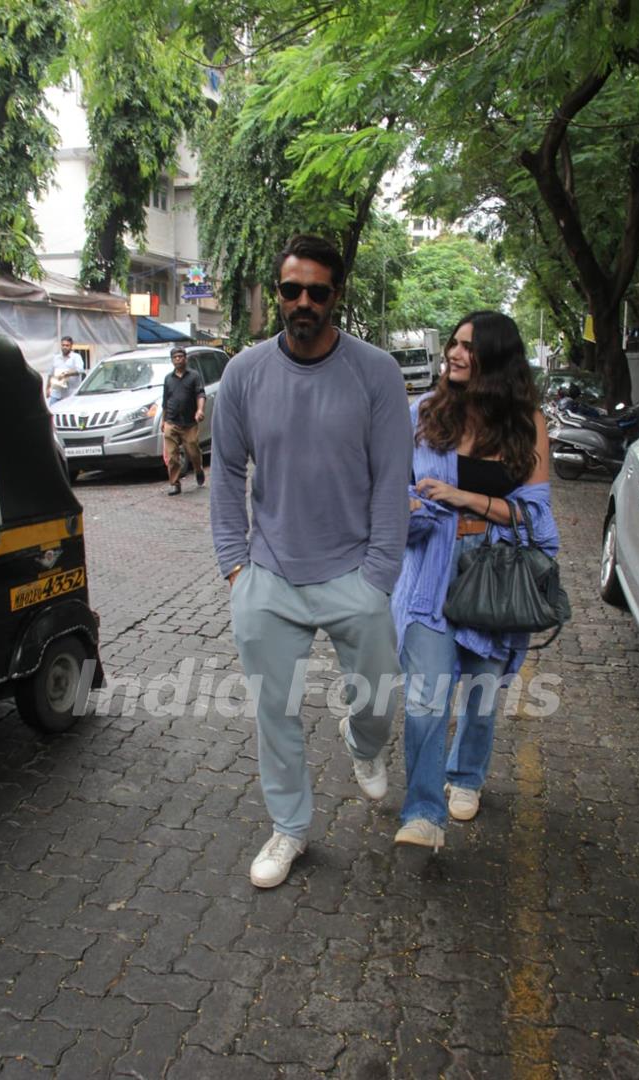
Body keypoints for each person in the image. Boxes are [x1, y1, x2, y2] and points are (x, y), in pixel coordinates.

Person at [210, 234, 413, 889]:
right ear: (278, 292)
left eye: (317, 292)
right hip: (267, 574)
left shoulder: (376, 372)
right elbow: (226, 472)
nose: (303, 302)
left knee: (378, 697)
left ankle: (364, 745)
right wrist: (234, 566)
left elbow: (392, 479)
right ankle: (290, 829)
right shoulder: (243, 373)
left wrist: (380, 577)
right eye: (291, 289)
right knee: (276, 713)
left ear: (336, 296)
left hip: (354, 572)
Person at [390, 311, 559, 853]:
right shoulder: (424, 412)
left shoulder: (526, 423)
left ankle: (465, 776)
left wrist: (466, 499)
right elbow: (398, 490)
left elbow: (538, 519)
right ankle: (422, 813)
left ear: (497, 360)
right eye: (454, 345)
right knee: (427, 696)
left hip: (493, 571)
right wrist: (411, 506)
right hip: (430, 570)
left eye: (469, 347)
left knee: (482, 692)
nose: (455, 354)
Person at [162, 346, 206, 495]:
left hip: (189, 423)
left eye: (180, 356)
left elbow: (200, 394)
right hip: (171, 422)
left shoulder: (193, 376)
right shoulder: (168, 379)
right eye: (175, 357)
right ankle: (174, 483)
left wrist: (199, 410)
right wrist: (163, 421)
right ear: (172, 360)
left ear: (185, 358)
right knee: (172, 455)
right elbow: (165, 402)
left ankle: (198, 469)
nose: (178, 359)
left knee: (193, 451)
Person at [47, 336, 84, 404]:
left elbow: (80, 370)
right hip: (56, 393)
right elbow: (50, 374)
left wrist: (67, 374)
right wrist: (47, 388)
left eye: (67, 345)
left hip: (70, 394)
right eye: (63, 345)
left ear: (71, 346)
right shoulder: (56, 358)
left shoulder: (76, 357)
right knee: (53, 412)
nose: (65, 347)